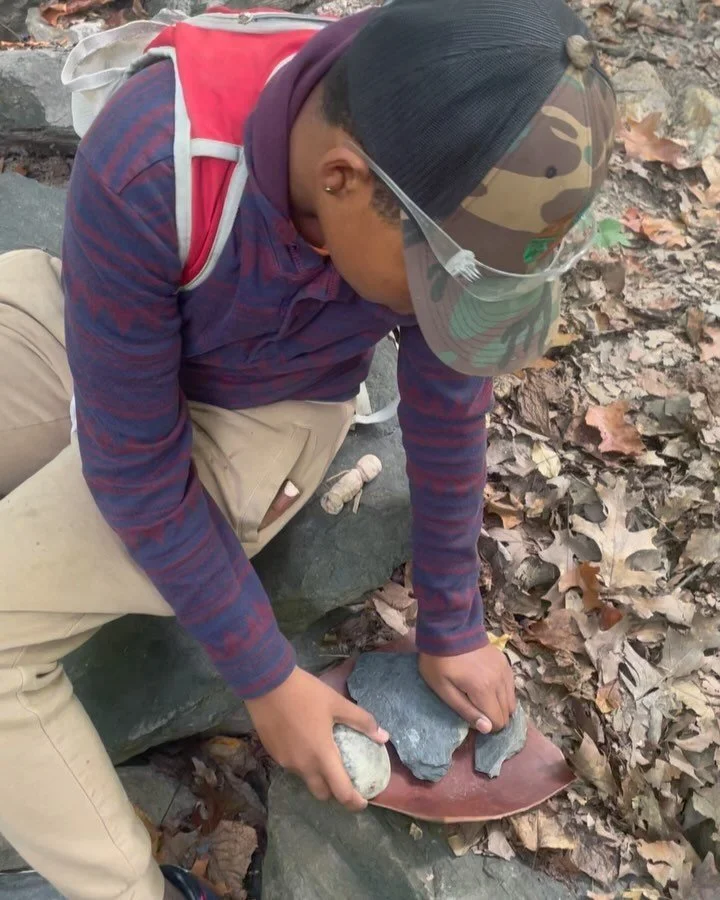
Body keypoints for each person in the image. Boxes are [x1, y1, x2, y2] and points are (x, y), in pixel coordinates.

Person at [0, 0, 616, 898]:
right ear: (341, 180)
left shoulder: (447, 157)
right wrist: (268, 678)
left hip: (264, 409)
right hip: (101, 329)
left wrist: (452, 621)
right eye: (440, 287)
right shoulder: (156, 160)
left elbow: (450, 402)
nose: (450, 310)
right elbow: (133, 462)